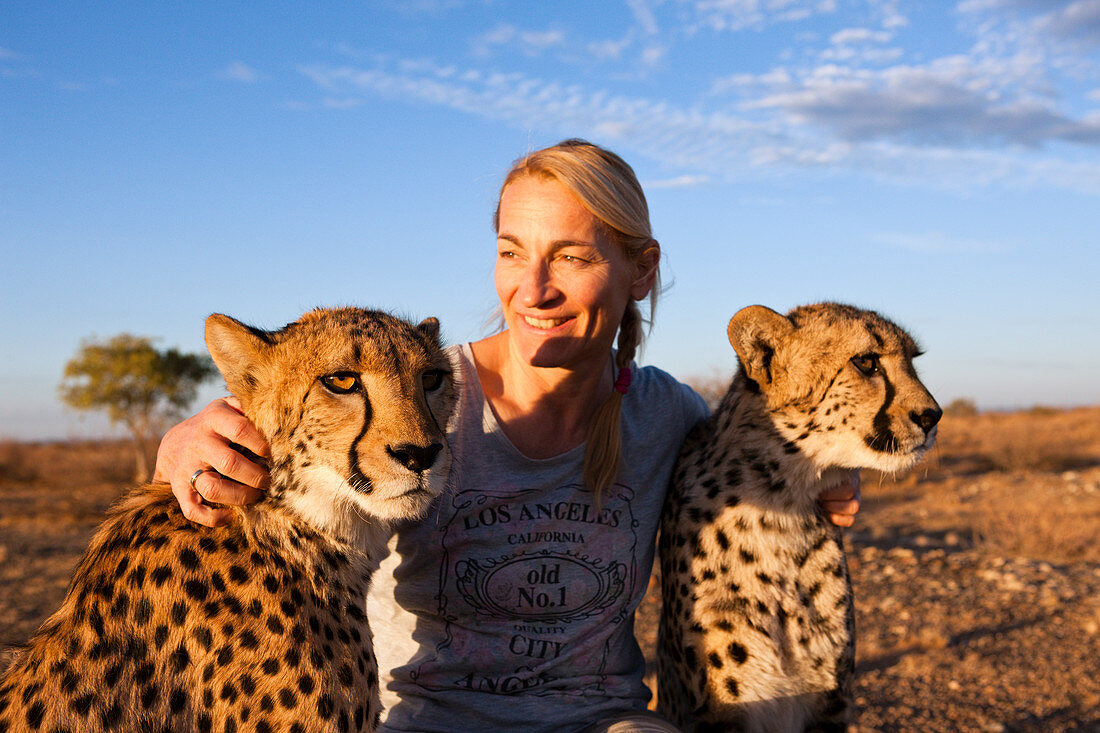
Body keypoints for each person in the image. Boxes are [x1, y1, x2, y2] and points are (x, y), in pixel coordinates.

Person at [154, 139, 860, 732]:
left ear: (640, 270)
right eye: (512, 253)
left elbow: (776, 450)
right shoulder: (420, 396)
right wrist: (182, 449)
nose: (533, 289)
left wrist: (826, 471)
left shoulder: (667, 415)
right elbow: (282, 432)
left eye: (572, 258)